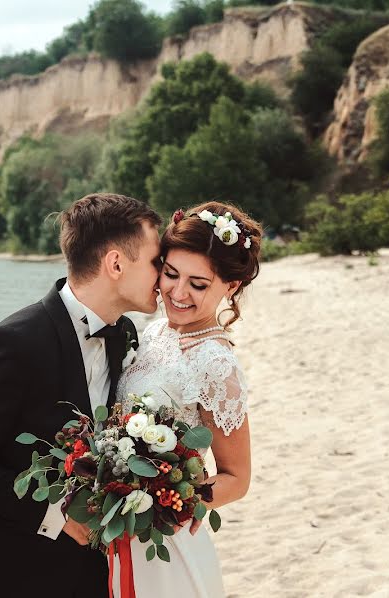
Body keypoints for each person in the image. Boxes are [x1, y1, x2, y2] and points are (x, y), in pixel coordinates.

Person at [0, 193, 162, 598]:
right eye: (156, 262)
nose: (164, 274)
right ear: (116, 264)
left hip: (84, 578)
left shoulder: (125, 335)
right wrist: (56, 514)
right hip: (3, 577)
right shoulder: (14, 342)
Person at [115, 201, 261, 597]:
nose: (178, 293)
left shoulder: (216, 364)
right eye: (171, 274)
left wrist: (173, 501)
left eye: (198, 284)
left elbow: (237, 478)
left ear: (230, 287)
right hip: (115, 526)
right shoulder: (154, 332)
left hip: (163, 535)